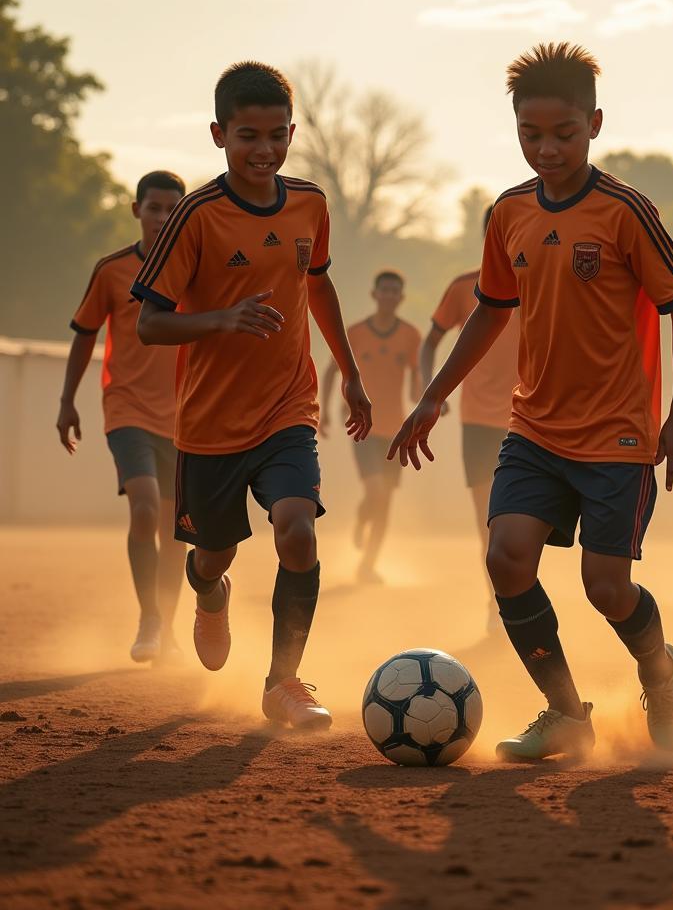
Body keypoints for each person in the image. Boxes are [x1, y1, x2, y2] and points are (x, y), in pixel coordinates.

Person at [389, 42, 673, 761]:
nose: (546, 148)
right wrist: (435, 396)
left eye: (562, 133)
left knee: (607, 588)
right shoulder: (508, 214)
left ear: (594, 124)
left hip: (618, 434)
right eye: (530, 134)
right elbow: (492, 310)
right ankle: (566, 713)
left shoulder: (627, 211)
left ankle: (659, 671)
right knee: (506, 558)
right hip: (533, 427)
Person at [130, 61, 372, 728]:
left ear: (292, 133)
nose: (263, 151)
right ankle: (211, 594)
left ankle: (283, 682)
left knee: (297, 531)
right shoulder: (195, 217)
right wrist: (221, 319)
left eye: (275, 136)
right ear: (218, 134)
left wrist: (350, 374)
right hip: (208, 426)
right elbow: (150, 322)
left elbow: (317, 285)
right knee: (212, 558)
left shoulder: (310, 204)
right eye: (246, 137)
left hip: (288, 410)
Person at [58, 170, 188, 665]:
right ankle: (149, 619)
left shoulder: (193, 272)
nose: (162, 217)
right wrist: (67, 401)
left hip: (183, 416)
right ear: (137, 210)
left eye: (172, 209)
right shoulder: (112, 270)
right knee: (146, 508)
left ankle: (170, 629)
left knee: (179, 527)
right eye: (154, 208)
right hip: (126, 407)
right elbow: (85, 333)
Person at [421, 207, 520, 632]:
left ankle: (518, 603)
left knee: (523, 527)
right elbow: (431, 342)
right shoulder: (465, 287)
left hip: (530, 419)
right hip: (479, 421)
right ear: (487, 236)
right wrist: (432, 392)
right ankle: (497, 604)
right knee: (490, 525)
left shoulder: (540, 280)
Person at [321, 270, 420, 584]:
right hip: (363, 425)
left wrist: (424, 396)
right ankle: (363, 516)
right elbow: (330, 372)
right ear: (374, 294)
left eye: (395, 292)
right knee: (376, 491)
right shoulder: (355, 333)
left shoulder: (410, 335)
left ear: (401, 298)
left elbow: (419, 374)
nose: (389, 296)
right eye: (385, 290)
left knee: (386, 498)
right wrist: (323, 411)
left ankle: (368, 564)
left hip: (396, 429)